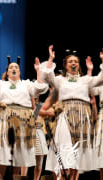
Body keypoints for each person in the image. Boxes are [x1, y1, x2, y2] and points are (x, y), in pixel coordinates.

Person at [40, 45, 103, 180]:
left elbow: (100, 79)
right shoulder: (60, 80)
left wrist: (102, 61)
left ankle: (73, 177)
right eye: (70, 61)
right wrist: (51, 59)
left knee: (77, 153)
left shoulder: (85, 79)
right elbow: (47, 77)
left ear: (79, 65)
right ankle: (63, 176)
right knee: (64, 149)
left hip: (82, 116)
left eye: (75, 61)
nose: (73, 63)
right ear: (66, 65)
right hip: (65, 115)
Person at [0, 56, 48, 180]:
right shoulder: (1, 84)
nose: (13, 69)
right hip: (4, 120)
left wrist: (38, 71)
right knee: (2, 155)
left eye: (16, 67)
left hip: (23, 121)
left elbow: (39, 89)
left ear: (19, 72)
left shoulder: (26, 84)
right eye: (11, 67)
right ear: (7, 72)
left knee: (21, 157)